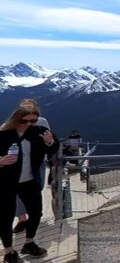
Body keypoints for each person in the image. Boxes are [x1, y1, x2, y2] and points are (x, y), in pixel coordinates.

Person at [1, 105, 59, 262]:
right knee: (5, 217)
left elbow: (53, 148)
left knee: (36, 212)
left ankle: (29, 242)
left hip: (30, 180)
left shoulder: (38, 131)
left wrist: (50, 142)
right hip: (6, 182)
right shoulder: (4, 134)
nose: (28, 124)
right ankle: (9, 251)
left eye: (32, 120)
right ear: (15, 118)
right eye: (24, 120)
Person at [13, 100, 52, 236]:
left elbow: (48, 139)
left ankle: (33, 214)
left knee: (37, 187)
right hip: (18, 163)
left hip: (37, 161)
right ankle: (22, 219)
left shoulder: (41, 122)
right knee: (17, 192)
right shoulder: (14, 122)